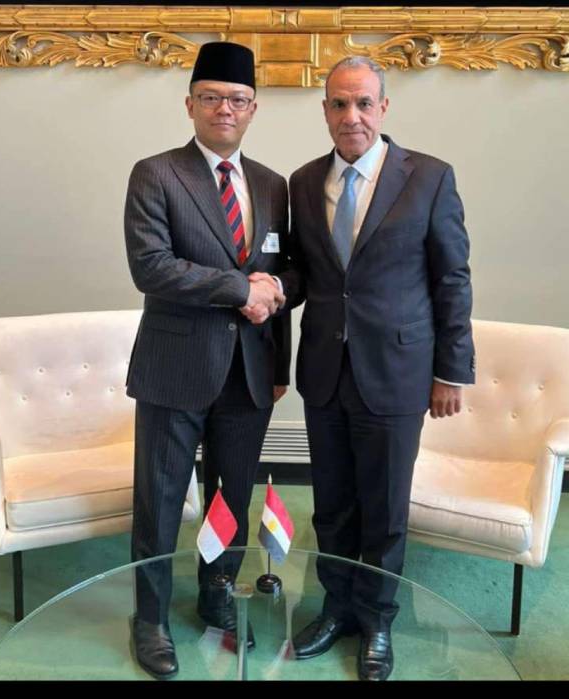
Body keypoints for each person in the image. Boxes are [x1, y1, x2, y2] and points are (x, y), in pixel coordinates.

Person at [278, 56, 475, 681]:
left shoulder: (429, 177)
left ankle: (378, 618)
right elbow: (304, 273)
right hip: (325, 370)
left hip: (397, 370)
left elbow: (452, 278)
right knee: (332, 504)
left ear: (383, 108)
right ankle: (336, 607)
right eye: (339, 104)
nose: (352, 116)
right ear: (325, 111)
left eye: (363, 103)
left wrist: (452, 371)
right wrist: (267, 288)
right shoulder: (303, 182)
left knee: (385, 509)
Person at [123, 41, 290, 680]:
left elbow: (286, 275)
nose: (226, 109)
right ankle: (150, 617)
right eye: (212, 97)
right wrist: (241, 288)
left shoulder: (272, 184)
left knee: (232, 495)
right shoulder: (155, 173)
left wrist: (279, 361)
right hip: (175, 367)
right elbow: (152, 267)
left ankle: (217, 591)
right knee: (160, 501)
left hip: (249, 371)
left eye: (238, 99)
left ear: (254, 108)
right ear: (189, 104)